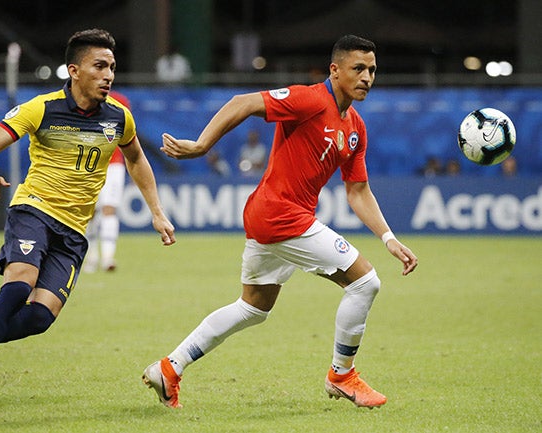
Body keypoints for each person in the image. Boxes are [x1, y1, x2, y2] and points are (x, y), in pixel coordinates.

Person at [143, 34, 418, 409]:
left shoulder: (355, 128)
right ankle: (342, 375)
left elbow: (357, 191)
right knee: (365, 283)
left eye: (372, 69)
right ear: (335, 70)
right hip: (281, 215)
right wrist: (202, 145)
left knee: (253, 308)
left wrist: (388, 237)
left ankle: (169, 368)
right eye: (358, 68)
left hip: (273, 216)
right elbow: (243, 102)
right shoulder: (309, 99)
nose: (367, 76)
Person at [0, 29, 175, 411]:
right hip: (34, 210)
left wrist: (157, 212)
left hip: (73, 231)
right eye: (99, 66)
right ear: (74, 70)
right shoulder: (40, 108)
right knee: (16, 288)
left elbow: (137, 158)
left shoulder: (119, 118)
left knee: (40, 317)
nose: (108, 74)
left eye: (112, 67)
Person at [84, 90, 131, 272]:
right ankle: (92, 256)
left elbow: (128, 136)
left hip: (113, 164)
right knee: (90, 212)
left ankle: (108, 257)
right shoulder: (81, 100)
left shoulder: (120, 100)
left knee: (109, 208)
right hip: (88, 164)